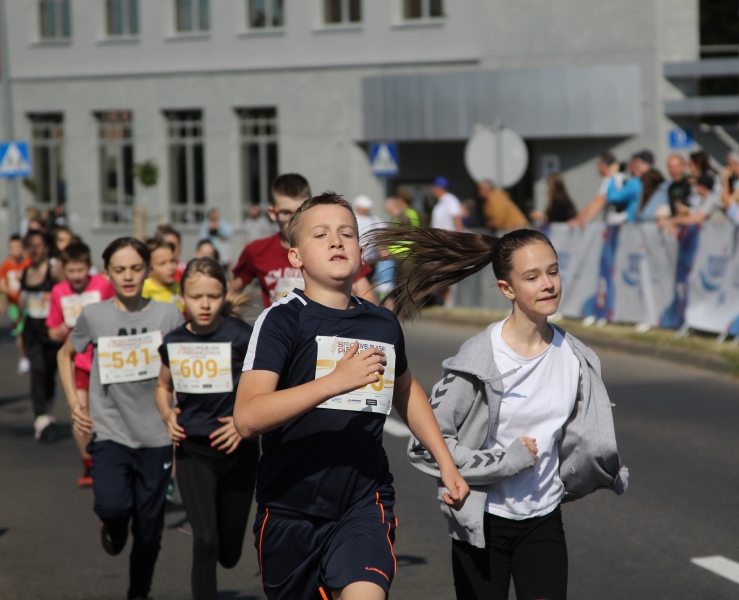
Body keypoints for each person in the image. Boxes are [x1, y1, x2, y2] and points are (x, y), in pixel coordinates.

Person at [365, 225, 627, 600]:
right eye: (532, 277)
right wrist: (506, 462)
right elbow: (427, 445)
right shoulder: (479, 359)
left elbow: (581, 439)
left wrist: (602, 468)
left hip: (543, 519)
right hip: (483, 523)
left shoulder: (575, 356)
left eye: (552, 271)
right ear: (507, 289)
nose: (548, 284)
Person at [233, 192, 469, 600]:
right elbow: (248, 418)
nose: (337, 241)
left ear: (361, 253)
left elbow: (406, 391)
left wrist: (445, 461)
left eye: (347, 234)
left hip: (364, 501)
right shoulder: (282, 320)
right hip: (290, 508)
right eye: (321, 234)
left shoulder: (381, 323)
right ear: (295, 257)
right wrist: (333, 382)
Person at [58, 237, 184, 600]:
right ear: (106, 273)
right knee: (112, 505)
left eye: (135, 268)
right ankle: (113, 528)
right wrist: (73, 402)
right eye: (119, 270)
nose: (128, 276)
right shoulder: (95, 316)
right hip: (111, 431)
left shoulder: (167, 315)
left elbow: (184, 365)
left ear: (146, 270)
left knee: (149, 530)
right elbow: (65, 355)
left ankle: (138, 592)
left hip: (156, 435)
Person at [155, 258, 256, 600]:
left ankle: (227, 552)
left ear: (224, 294)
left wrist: (245, 426)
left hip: (239, 450)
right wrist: (167, 414)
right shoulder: (174, 341)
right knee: (205, 540)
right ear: (182, 296)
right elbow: (162, 387)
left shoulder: (243, 336)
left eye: (213, 296)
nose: (205, 304)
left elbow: (267, 387)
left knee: (229, 554)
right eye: (196, 296)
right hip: (193, 448)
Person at [46, 242, 115, 485]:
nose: (76, 276)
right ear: (64, 270)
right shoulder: (58, 292)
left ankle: (114, 458)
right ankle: (88, 462)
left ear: (89, 268)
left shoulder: (103, 287)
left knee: (109, 412)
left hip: (105, 359)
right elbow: (52, 329)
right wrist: (58, 331)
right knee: (81, 411)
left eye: (80, 270)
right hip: (77, 361)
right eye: (71, 271)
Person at [230, 173, 311, 307]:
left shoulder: (325, 248)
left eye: (300, 212)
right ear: (273, 214)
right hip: (276, 327)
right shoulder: (256, 251)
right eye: (286, 213)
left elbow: (356, 292)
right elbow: (230, 294)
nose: (294, 221)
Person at [20, 230, 63, 441]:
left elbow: (66, 293)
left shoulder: (53, 271)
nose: (33, 250)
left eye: (37, 245)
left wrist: (54, 297)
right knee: (37, 370)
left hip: (51, 330)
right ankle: (40, 417)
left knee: (49, 373)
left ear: (45, 247)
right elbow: (22, 302)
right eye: (30, 246)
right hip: (32, 330)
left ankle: (46, 410)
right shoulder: (25, 272)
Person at [0, 234, 32, 375]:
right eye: (13, 247)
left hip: (28, 302)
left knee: (29, 330)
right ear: (9, 248)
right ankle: (24, 358)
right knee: (19, 331)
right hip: (13, 304)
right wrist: (8, 293)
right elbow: (1, 285)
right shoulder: (6, 266)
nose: (16, 250)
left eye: (19, 247)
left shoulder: (28, 263)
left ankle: (31, 354)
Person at [570, 152, 624, 226]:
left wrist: (583, 219)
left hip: (616, 226)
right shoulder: (618, 178)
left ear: (602, 165)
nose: (598, 169)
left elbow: (600, 200)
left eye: (598, 166)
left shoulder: (612, 179)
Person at [604, 150, 654, 223]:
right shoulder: (651, 180)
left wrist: (612, 176)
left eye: (631, 163)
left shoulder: (635, 183)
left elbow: (612, 198)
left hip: (633, 226)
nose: (630, 166)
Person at [142, 237, 184, 313]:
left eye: (172, 261)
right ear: (149, 268)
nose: (170, 267)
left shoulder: (181, 289)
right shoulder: (142, 290)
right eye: (162, 263)